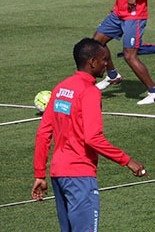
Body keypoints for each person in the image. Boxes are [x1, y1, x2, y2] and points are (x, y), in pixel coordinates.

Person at [32, 38, 148, 231]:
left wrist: (39, 174)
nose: (106, 64)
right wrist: (127, 160)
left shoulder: (60, 88)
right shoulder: (90, 92)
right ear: (92, 62)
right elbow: (92, 137)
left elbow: (43, 132)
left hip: (58, 174)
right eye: (103, 59)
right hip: (79, 175)